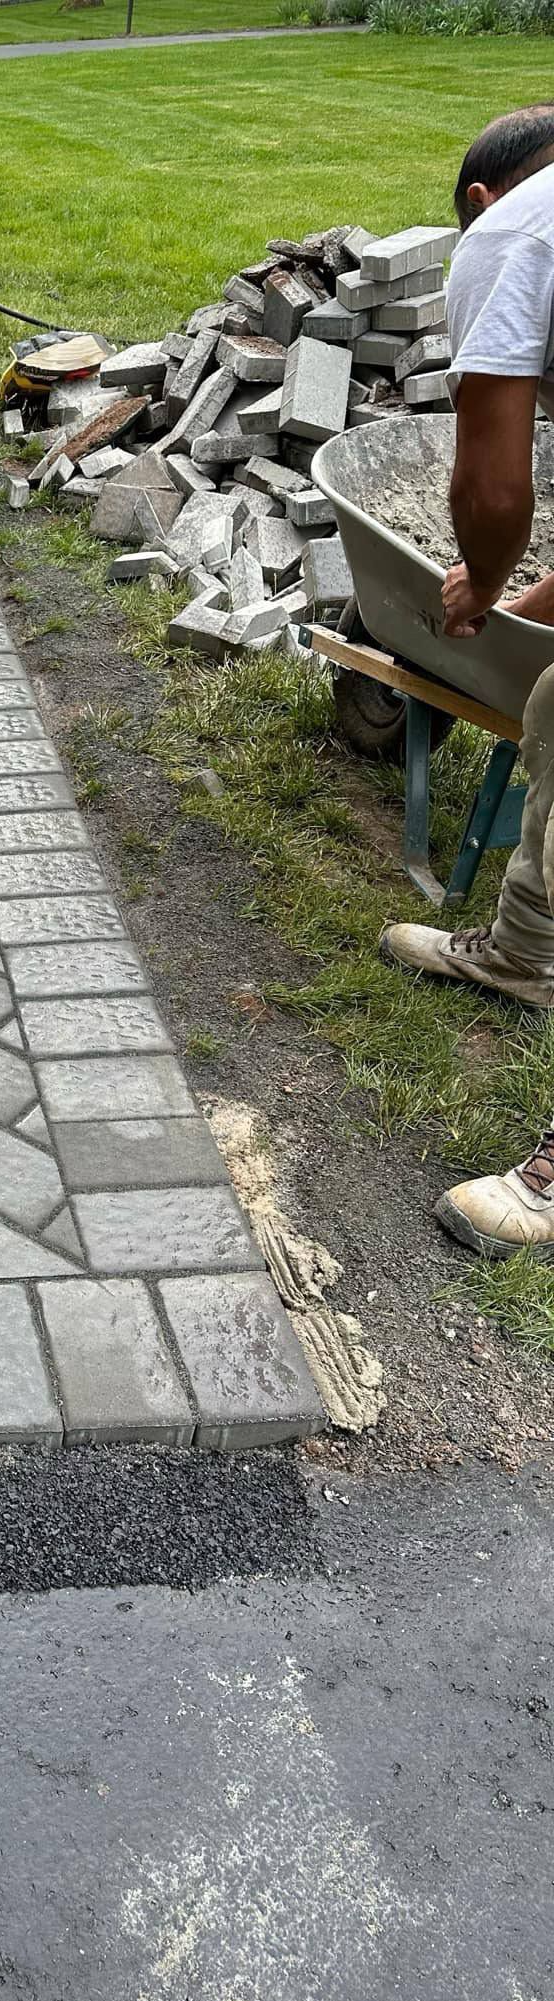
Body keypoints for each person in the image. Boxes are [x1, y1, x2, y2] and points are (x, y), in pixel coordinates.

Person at [380, 104, 554, 1256]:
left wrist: (480, 585)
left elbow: (490, 488)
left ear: (480, 202)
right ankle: (527, 955)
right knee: (553, 705)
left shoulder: (515, 232)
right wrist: (525, 614)